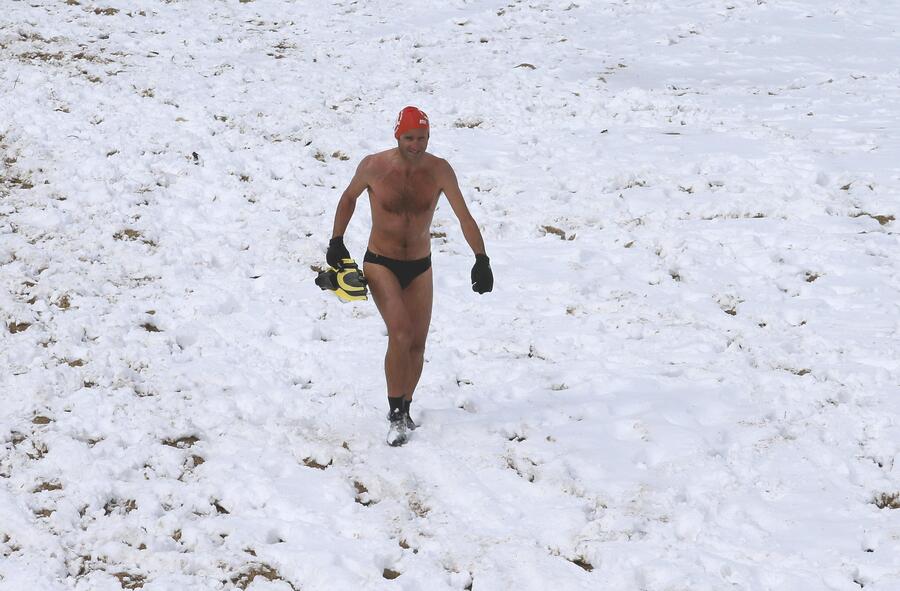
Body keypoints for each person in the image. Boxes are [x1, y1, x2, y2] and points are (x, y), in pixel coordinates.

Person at [326, 106, 493, 446]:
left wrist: (481, 258)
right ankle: (395, 414)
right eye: (410, 138)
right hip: (380, 262)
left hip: (420, 265)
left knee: (417, 345)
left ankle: (406, 404)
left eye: (423, 138)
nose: (417, 145)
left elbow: (464, 216)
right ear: (397, 136)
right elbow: (348, 197)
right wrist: (336, 241)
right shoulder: (374, 166)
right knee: (400, 333)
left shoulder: (440, 171)